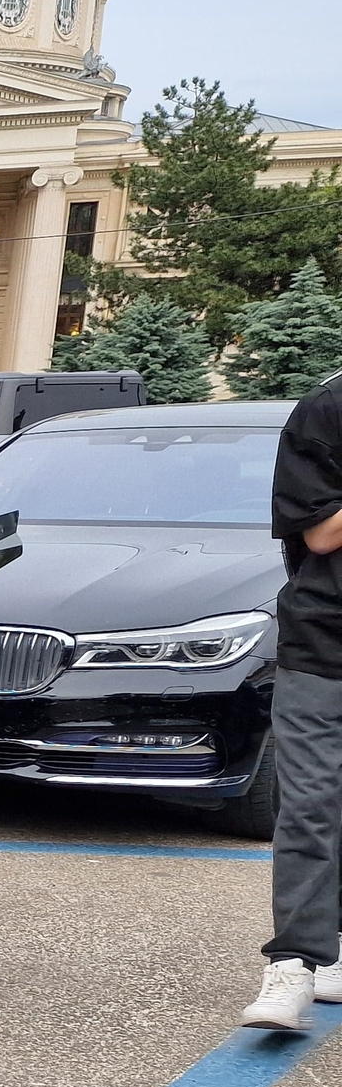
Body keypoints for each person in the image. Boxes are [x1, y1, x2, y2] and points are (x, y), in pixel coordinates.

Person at [243, 369, 342, 1030]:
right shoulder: (327, 411)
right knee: (310, 802)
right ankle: (294, 966)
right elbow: (324, 532)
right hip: (325, 640)